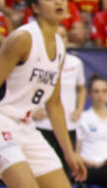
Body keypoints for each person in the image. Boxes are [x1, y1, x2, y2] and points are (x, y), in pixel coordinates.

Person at [0, 0, 87, 188]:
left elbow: (54, 104)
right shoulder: (22, 39)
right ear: (35, 7)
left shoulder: (59, 46)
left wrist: (69, 152)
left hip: (26, 126)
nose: (59, 2)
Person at [33, 34, 85, 176]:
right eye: (56, 36)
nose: (60, 40)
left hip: (68, 124)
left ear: (67, 40)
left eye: (63, 36)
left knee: (67, 172)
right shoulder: (38, 62)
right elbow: (27, 89)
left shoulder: (75, 63)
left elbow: (81, 88)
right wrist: (33, 110)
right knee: (44, 172)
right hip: (43, 124)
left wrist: (79, 109)